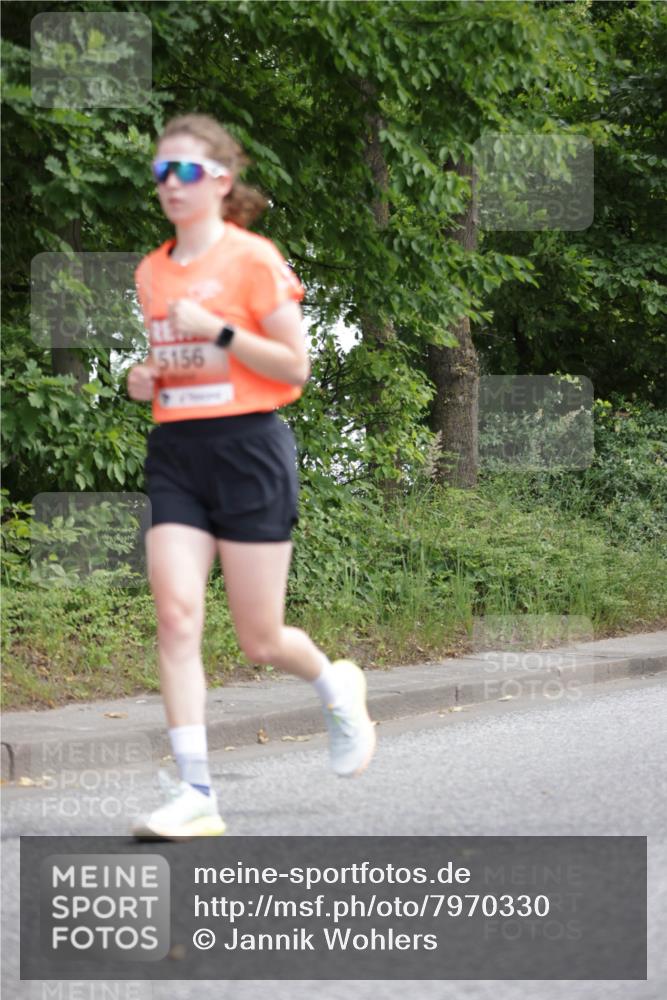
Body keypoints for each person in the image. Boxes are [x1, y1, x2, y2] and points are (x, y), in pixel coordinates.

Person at [127, 113, 375, 840]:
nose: (169, 185)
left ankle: (336, 686)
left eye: (185, 172)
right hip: (177, 452)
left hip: (249, 449)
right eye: (160, 172)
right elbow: (175, 371)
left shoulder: (253, 259)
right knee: (175, 616)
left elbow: (293, 367)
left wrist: (216, 329)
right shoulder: (151, 269)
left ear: (220, 182)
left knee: (259, 639)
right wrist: (148, 378)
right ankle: (196, 793)